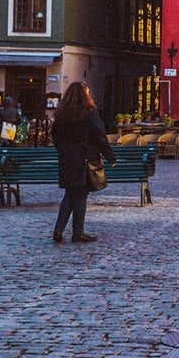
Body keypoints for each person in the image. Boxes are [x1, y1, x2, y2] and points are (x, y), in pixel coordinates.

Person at [51, 81, 114, 244]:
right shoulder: (89, 112)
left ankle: (59, 229)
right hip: (84, 159)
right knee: (80, 195)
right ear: (84, 95)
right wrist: (110, 157)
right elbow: (99, 136)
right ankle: (78, 232)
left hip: (67, 159)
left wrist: (64, 152)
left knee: (70, 194)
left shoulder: (61, 115)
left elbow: (55, 137)